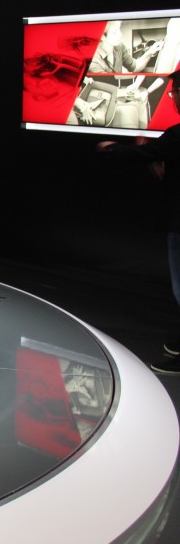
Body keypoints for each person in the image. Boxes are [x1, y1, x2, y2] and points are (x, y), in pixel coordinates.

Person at [97, 69, 180, 374]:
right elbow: (160, 159)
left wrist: (111, 149)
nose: (173, 98)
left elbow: (143, 154)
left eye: (174, 93)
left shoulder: (176, 134)